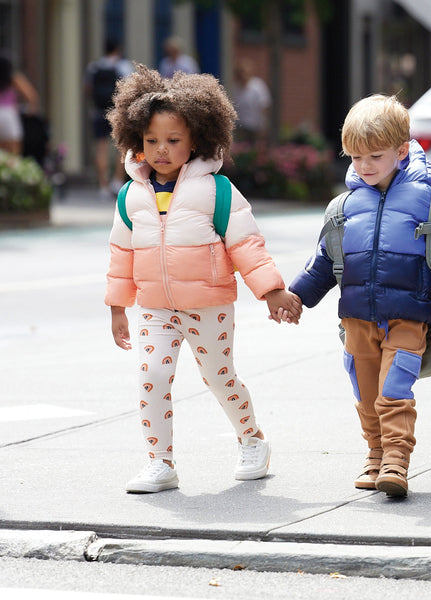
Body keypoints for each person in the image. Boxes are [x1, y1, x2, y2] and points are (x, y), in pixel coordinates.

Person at [105, 64, 302, 494]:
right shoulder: (131, 195)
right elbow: (122, 254)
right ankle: (160, 462)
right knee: (151, 376)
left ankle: (252, 439)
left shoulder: (218, 191)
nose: (161, 149)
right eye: (152, 140)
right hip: (156, 308)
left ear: (196, 139)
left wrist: (271, 291)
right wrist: (118, 306)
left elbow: (247, 244)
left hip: (208, 306)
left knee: (219, 377)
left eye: (173, 140)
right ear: (135, 137)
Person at [288, 94, 431, 498]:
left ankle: (396, 460)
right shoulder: (345, 207)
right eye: (356, 158)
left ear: (402, 150)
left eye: (375, 155)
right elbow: (325, 259)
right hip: (357, 318)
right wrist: (297, 297)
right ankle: (374, 454)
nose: (364, 165)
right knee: (366, 391)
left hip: (409, 315)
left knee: (395, 389)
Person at [84, 40, 134, 198]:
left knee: (101, 148)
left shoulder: (94, 67)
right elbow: (130, 87)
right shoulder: (123, 66)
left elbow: (87, 89)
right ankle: (117, 181)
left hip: (99, 112)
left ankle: (102, 186)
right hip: (117, 112)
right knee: (122, 146)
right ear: (118, 49)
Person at [0, 54, 39, 155]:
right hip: (9, 115)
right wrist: (30, 110)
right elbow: (31, 95)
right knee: (13, 153)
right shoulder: (13, 78)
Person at [232, 58, 271, 144]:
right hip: (239, 126)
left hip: (254, 127)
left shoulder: (258, 86)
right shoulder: (235, 88)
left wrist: (263, 125)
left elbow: (264, 107)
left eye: (245, 72)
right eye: (241, 72)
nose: (243, 75)